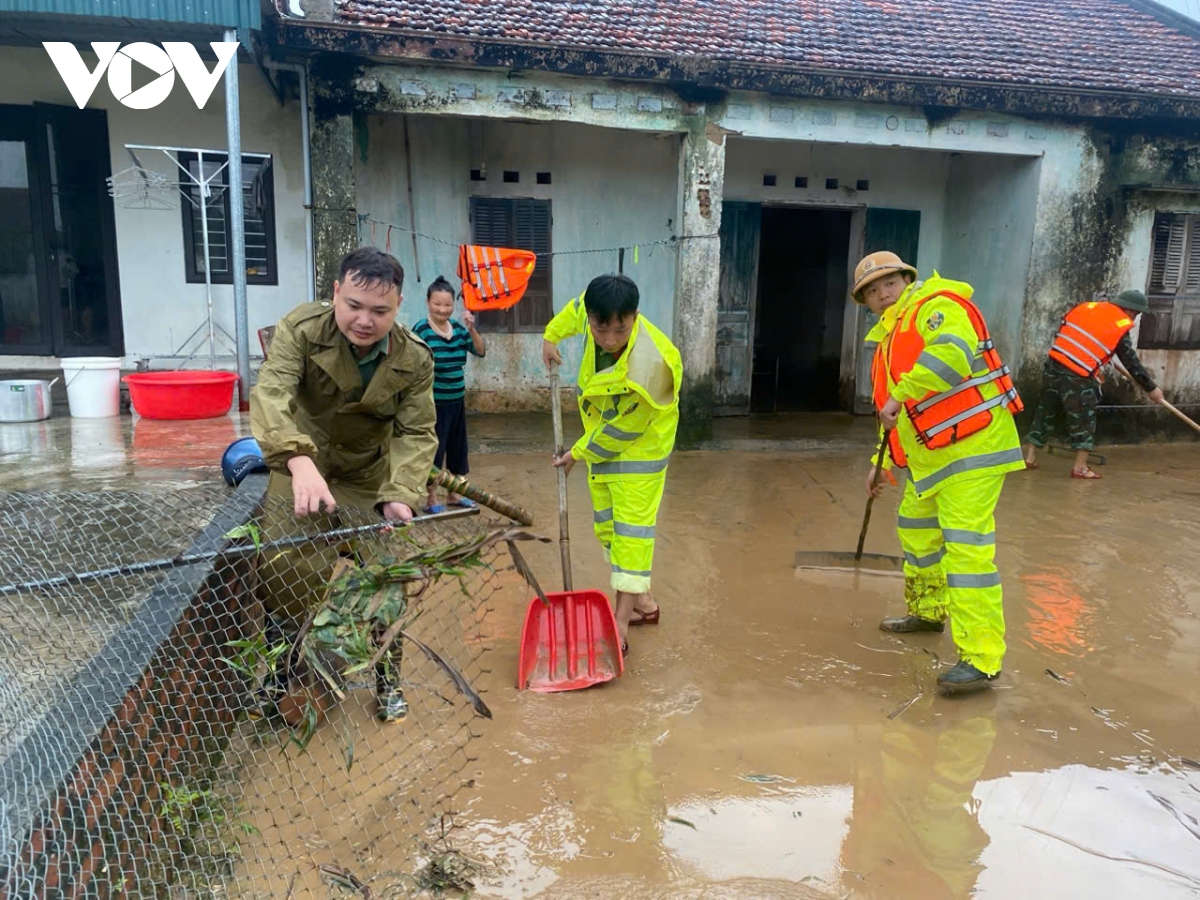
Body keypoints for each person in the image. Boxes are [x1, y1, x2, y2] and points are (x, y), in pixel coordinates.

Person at [250, 246, 438, 723]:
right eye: (353, 305)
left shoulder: (414, 359)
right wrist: (296, 458)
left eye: (380, 310)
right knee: (283, 572)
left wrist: (402, 493)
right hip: (301, 467)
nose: (364, 320)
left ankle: (387, 678)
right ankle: (281, 673)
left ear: (398, 307)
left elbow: (416, 432)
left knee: (387, 582)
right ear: (335, 292)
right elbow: (271, 394)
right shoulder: (302, 328)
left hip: (366, 478)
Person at [855, 251, 1025, 694]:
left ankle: (982, 658)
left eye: (888, 283)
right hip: (933, 462)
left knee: (966, 553)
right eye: (872, 292)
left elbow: (951, 357)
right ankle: (929, 613)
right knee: (915, 530)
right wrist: (883, 463)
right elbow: (894, 416)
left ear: (906, 280)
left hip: (973, 449)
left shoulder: (936, 306)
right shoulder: (888, 342)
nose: (882, 294)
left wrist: (900, 394)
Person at [540, 274, 682, 654]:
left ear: (635, 316)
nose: (609, 340)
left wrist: (577, 453)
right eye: (601, 330)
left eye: (620, 330)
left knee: (630, 535)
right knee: (608, 529)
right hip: (601, 442)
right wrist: (550, 337)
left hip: (640, 451)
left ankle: (622, 623)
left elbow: (625, 429)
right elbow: (573, 311)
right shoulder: (589, 311)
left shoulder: (653, 364)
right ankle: (645, 604)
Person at [1022, 289, 1164, 479]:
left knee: (1045, 410)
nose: (1136, 318)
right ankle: (1080, 468)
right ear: (1129, 310)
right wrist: (1151, 389)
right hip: (1078, 375)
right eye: (1137, 313)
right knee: (1084, 419)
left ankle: (1029, 458)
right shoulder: (1118, 325)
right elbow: (1131, 363)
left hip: (1053, 366)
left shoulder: (1087, 308)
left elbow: (1080, 337)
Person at [413, 276, 486, 513]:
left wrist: (471, 328)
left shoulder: (457, 329)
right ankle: (431, 498)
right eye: (437, 304)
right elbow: (412, 363)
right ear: (427, 302)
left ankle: (454, 494)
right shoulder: (421, 329)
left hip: (456, 401)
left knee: (457, 449)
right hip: (432, 403)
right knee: (435, 451)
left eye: (447, 305)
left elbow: (480, 351)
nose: (443, 309)